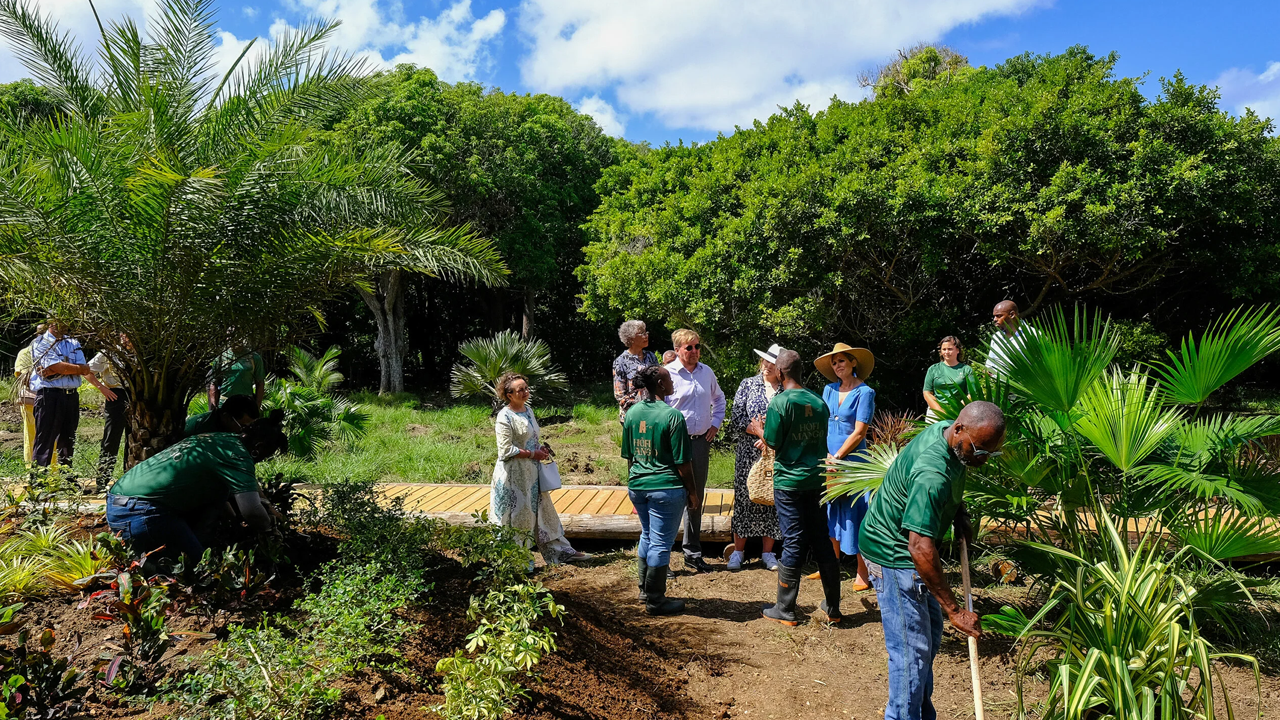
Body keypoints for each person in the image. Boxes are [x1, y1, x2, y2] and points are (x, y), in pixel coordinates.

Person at [860, 401, 1006, 720]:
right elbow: (920, 549)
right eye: (980, 450)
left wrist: (958, 514)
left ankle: (921, 713)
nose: (982, 459)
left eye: (990, 453)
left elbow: (945, 491)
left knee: (929, 637)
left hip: (911, 547)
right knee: (911, 653)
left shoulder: (950, 441)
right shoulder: (932, 472)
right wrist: (955, 610)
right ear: (959, 430)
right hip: (894, 553)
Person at [105, 411, 289, 561]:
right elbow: (252, 511)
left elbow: (224, 498)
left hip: (118, 503)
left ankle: (155, 557)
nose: (263, 459)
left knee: (211, 515)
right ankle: (155, 566)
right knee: (196, 567)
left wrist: (236, 525)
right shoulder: (238, 457)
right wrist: (270, 532)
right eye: (267, 454)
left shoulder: (220, 440)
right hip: (141, 512)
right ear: (259, 446)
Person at [749, 348, 842, 625]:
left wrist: (758, 430)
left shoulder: (780, 403)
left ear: (780, 372)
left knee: (793, 540)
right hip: (816, 479)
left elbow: (774, 442)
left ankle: (785, 609)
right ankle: (833, 608)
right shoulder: (818, 401)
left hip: (789, 482)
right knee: (821, 539)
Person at [490, 372, 591, 567]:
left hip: (532, 472)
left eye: (526, 388)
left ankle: (561, 552)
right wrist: (531, 454)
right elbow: (505, 450)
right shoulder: (504, 416)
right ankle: (516, 563)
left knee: (544, 512)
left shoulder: (528, 410)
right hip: (514, 475)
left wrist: (539, 450)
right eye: (521, 390)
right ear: (509, 394)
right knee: (517, 517)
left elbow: (531, 437)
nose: (526, 392)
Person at [622, 365, 699, 615]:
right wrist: (693, 492)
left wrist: (638, 479)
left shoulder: (632, 413)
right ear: (661, 385)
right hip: (666, 488)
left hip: (638, 485)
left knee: (647, 535)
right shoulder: (672, 416)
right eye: (668, 378)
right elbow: (683, 463)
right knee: (661, 544)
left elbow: (629, 455)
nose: (672, 381)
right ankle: (656, 600)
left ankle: (645, 590)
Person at [813, 343, 876, 591]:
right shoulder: (828, 389)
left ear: (853, 363)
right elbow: (820, 423)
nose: (837, 366)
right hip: (828, 459)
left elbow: (860, 432)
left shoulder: (865, 392)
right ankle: (829, 565)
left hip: (852, 461)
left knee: (855, 513)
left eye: (841, 361)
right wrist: (825, 455)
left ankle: (863, 572)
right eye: (834, 362)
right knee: (830, 510)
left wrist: (837, 456)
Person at [663, 329, 725, 573]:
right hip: (673, 444)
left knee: (695, 497)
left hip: (699, 442)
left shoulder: (706, 372)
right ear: (677, 349)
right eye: (689, 348)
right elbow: (658, 409)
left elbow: (719, 400)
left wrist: (715, 425)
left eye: (697, 347)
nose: (694, 352)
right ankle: (663, 557)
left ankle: (692, 552)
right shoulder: (667, 374)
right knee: (669, 497)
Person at [723, 344, 783, 572]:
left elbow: (788, 422)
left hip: (775, 451)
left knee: (771, 496)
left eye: (773, 363)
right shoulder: (748, 384)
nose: (768, 366)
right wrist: (759, 432)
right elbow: (736, 417)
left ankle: (768, 553)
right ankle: (738, 552)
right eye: (766, 362)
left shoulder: (785, 390)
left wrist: (768, 438)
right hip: (748, 450)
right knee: (745, 496)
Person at [30, 322, 116, 468]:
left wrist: (61, 368)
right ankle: (39, 482)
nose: (65, 325)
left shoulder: (73, 342)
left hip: (71, 396)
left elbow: (85, 368)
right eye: (60, 321)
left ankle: (67, 479)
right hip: (49, 395)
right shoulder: (40, 342)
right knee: (45, 440)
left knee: (68, 439)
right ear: (51, 323)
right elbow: (57, 366)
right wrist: (63, 368)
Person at [89, 341, 129, 490]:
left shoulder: (140, 352)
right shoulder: (109, 352)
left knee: (133, 438)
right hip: (115, 394)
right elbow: (88, 371)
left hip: (136, 395)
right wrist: (102, 388)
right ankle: (102, 480)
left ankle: (130, 476)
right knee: (111, 438)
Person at [611, 320, 659, 423]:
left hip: (654, 412)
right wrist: (641, 409)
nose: (646, 335)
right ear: (631, 338)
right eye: (642, 333)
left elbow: (659, 381)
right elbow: (620, 395)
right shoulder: (621, 361)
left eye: (646, 332)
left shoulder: (651, 356)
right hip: (633, 415)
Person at [12, 324, 44, 466]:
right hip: (32, 401)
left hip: (55, 399)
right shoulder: (26, 353)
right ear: (36, 335)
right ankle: (34, 472)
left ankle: (55, 475)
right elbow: (24, 378)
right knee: (33, 437)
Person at [922, 336, 973, 421]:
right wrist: (940, 411)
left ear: (958, 350)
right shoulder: (933, 369)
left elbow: (971, 394)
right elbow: (927, 393)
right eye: (944, 349)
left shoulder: (966, 370)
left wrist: (956, 409)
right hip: (935, 413)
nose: (946, 352)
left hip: (959, 412)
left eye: (950, 349)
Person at [209, 345, 265, 412]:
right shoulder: (221, 358)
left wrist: (257, 406)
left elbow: (260, 382)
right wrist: (214, 405)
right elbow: (213, 382)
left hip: (246, 403)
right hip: (225, 402)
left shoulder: (254, 357)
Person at [988, 300, 1034, 377]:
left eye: (999, 316)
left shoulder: (1032, 336)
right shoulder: (996, 338)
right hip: (1000, 387)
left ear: (1012, 314)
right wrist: (988, 372)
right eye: (994, 316)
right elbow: (989, 365)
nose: (994, 319)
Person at [184, 394, 261, 438]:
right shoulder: (201, 430)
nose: (245, 432)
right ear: (227, 417)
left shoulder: (225, 424)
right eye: (243, 426)